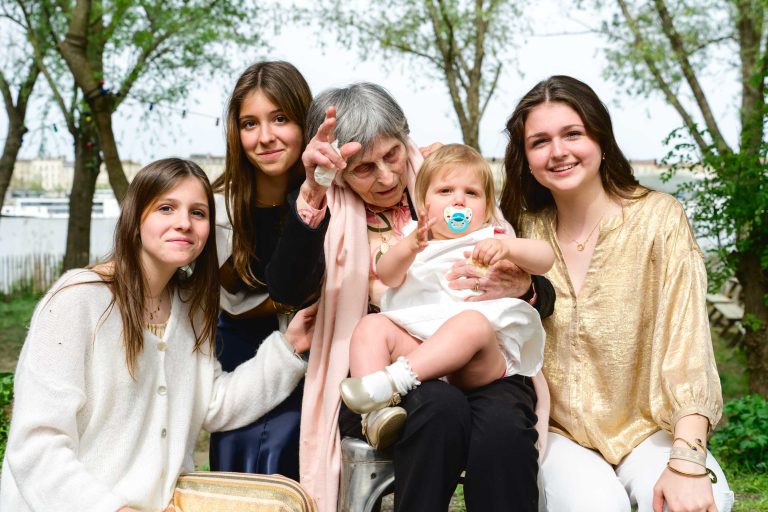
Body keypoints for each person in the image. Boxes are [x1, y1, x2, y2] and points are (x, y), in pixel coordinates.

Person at [0, 158, 317, 511]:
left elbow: (212, 403)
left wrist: (290, 347)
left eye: (198, 213)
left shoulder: (190, 307)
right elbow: (36, 445)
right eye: (166, 208)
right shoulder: (78, 300)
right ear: (136, 219)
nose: (184, 223)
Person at [299, 83, 555, 512]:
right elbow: (303, 282)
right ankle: (375, 404)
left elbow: (542, 284)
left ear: (405, 140)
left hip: (480, 359)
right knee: (436, 406)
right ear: (338, 169)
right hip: (401, 369)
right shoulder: (335, 210)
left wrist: (520, 282)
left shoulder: (460, 194)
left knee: (504, 428)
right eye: (363, 168)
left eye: (392, 156)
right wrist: (316, 192)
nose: (385, 175)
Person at [500, 75, 734, 512]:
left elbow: (690, 349)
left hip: (650, 428)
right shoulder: (518, 232)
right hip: (558, 431)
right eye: (540, 141)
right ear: (526, 158)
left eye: (573, 133)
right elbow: (444, 218)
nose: (559, 152)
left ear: (601, 138)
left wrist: (686, 459)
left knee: (701, 501)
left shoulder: (659, 218)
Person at [340, 143, 554, 451]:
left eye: (471, 193)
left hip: (478, 358)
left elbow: (544, 258)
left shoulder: (492, 238)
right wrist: (410, 247)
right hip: (422, 347)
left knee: (471, 323)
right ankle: (375, 416)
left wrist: (509, 248)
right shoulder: (412, 239)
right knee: (370, 327)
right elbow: (387, 275)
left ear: (487, 207)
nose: (458, 200)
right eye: (445, 191)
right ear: (422, 203)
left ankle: (394, 381)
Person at [209, 61, 354, 478]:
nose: (265, 137)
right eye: (250, 124)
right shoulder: (219, 208)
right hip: (241, 353)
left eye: (280, 119)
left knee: (289, 439)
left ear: (303, 123)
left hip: (318, 348)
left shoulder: (332, 199)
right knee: (238, 440)